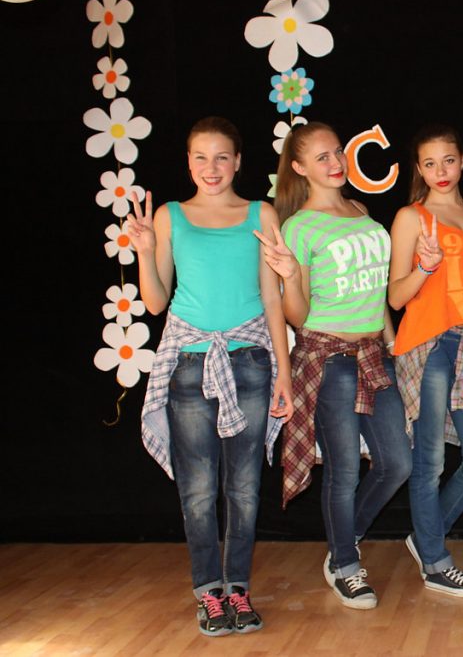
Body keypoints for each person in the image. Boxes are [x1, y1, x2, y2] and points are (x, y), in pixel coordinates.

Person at [127, 117, 294, 636]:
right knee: (198, 490)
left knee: (244, 487)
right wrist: (144, 250)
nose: (212, 167)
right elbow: (156, 302)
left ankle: (238, 588)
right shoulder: (170, 216)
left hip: (250, 361)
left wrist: (284, 374)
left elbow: (272, 299)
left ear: (238, 161)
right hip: (188, 365)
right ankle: (209, 593)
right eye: (201, 157)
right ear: (188, 162)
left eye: (222, 156)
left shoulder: (260, 213)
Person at [257, 122, 412, 610]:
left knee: (397, 463)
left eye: (338, 152)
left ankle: (345, 540)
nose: (336, 162)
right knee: (343, 469)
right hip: (329, 359)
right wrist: (289, 276)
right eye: (322, 156)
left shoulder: (361, 212)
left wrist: (394, 344)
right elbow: (297, 316)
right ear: (299, 167)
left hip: (373, 355)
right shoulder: (298, 228)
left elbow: (376, 292)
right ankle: (345, 564)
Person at [388, 124, 463, 597]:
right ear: (419, 168)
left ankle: (425, 538)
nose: (441, 171)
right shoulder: (411, 218)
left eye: (448, 160)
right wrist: (425, 267)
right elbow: (396, 297)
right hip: (430, 345)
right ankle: (435, 562)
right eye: (430, 163)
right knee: (429, 461)